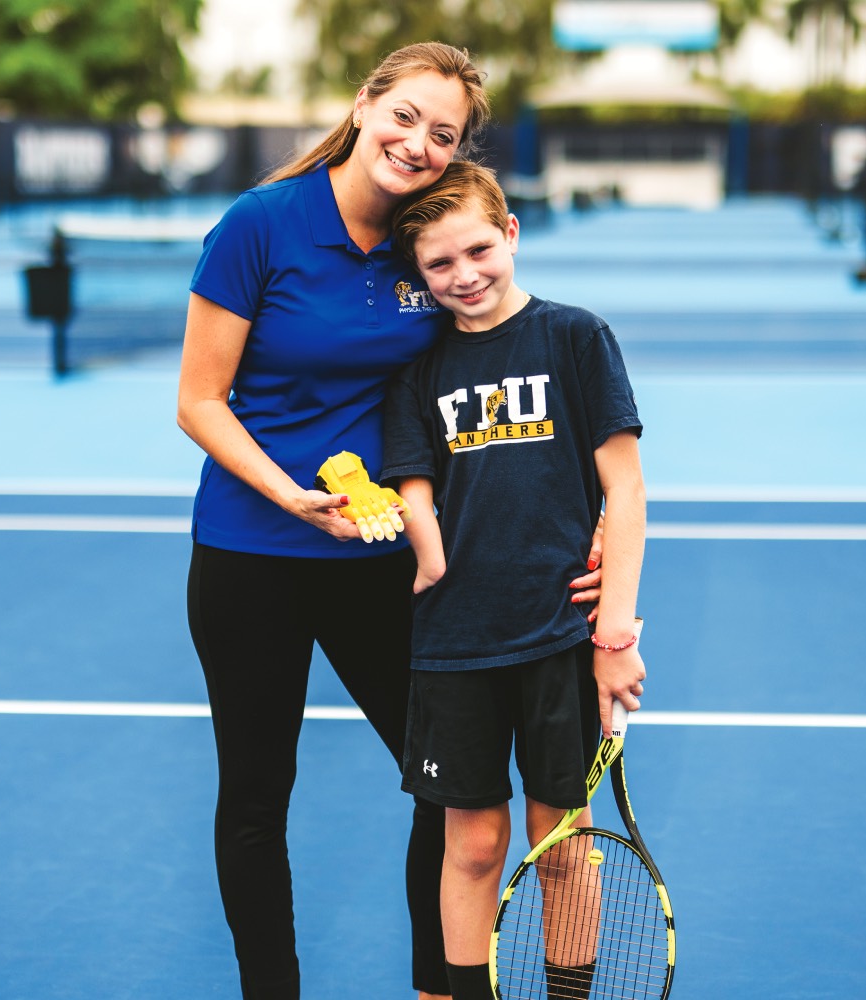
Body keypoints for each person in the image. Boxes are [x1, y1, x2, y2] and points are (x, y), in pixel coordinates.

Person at [176, 43, 604, 1000]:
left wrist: (598, 513)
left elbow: (501, 386)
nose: (417, 142)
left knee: (448, 788)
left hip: (387, 558)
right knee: (255, 799)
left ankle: (437, 985)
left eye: (442, 134)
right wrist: (288, 495)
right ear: (366, 104)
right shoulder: (259, 225)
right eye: (405, 116)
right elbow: (199, 401)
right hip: (252, 556)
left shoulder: (430, 236)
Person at [381, 161, 647, 1000]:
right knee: (474, 846)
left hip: (560, 641)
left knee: (564, 846)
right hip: (453, 646)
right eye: (439, 264)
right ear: (418, 277)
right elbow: (415, 495)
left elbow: (627, 490)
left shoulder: (575, 338)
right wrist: (411, 537)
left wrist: (613, 632)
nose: (464, 275)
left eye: (477, 250)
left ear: (511, 234)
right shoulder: (416, 377)